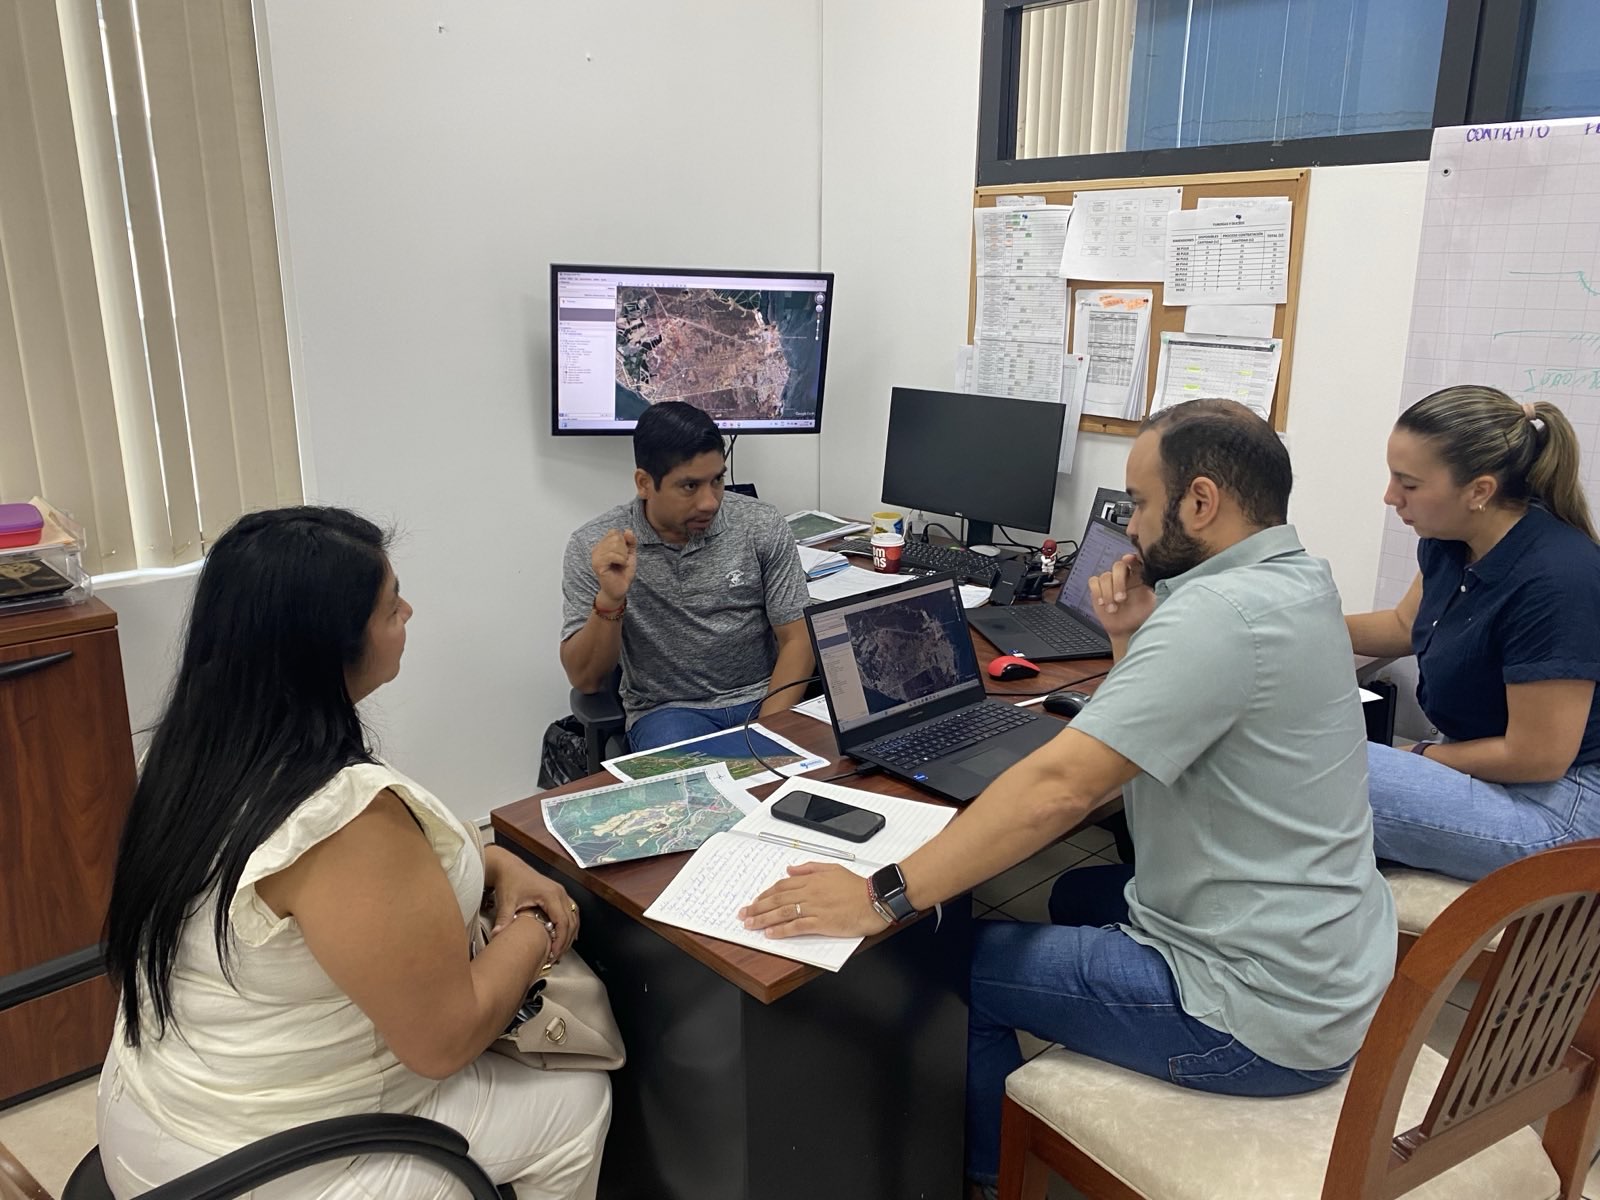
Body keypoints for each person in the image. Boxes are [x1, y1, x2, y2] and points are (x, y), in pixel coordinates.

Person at [737, 399, 1395, 1198]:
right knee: (1074, 890)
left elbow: (1060, 790)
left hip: (1256, 1021)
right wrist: (1128, 640)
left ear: (1201, 502)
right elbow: (1162, 724)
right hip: (1334, 966)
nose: (1132, 528)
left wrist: (883, 896)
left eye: (1142, 504)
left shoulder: (1215, 616)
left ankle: (992, 1178)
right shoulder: (1298, 579)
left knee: (938, 963)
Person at [99, 507, 610, 1200]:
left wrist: (496, 863)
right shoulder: (342, 821)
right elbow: (444, 1040)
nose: (409, 611)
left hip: (158, 1113)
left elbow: (368, 890)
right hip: (271, 1163)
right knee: (577, 1101)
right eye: (391, 605)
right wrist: (536, 927)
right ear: (328, 647)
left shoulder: (193, 753)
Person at [1346, 384, 1600, 880]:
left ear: (1479, 491)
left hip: (1560, 806)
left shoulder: (1557, 579)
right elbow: (1405, 626)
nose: (1390, 497)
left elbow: (1538, 757)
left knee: (1321, 774)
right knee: (1316, 765)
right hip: (1494, 768)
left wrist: (1422, 755)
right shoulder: (1450, 539)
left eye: (1408, 484)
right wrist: (1293, 622)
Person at [560, 401, 814, 752]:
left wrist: (764, 734)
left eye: (717, 480)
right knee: (694, 785)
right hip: (669, 713)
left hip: (764, 698)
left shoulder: (761, 524)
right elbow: (586, 680)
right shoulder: (597, 547)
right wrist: (610, 600)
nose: (710, 502)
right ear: (644, 483)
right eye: (690, 486)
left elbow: (798, 640)